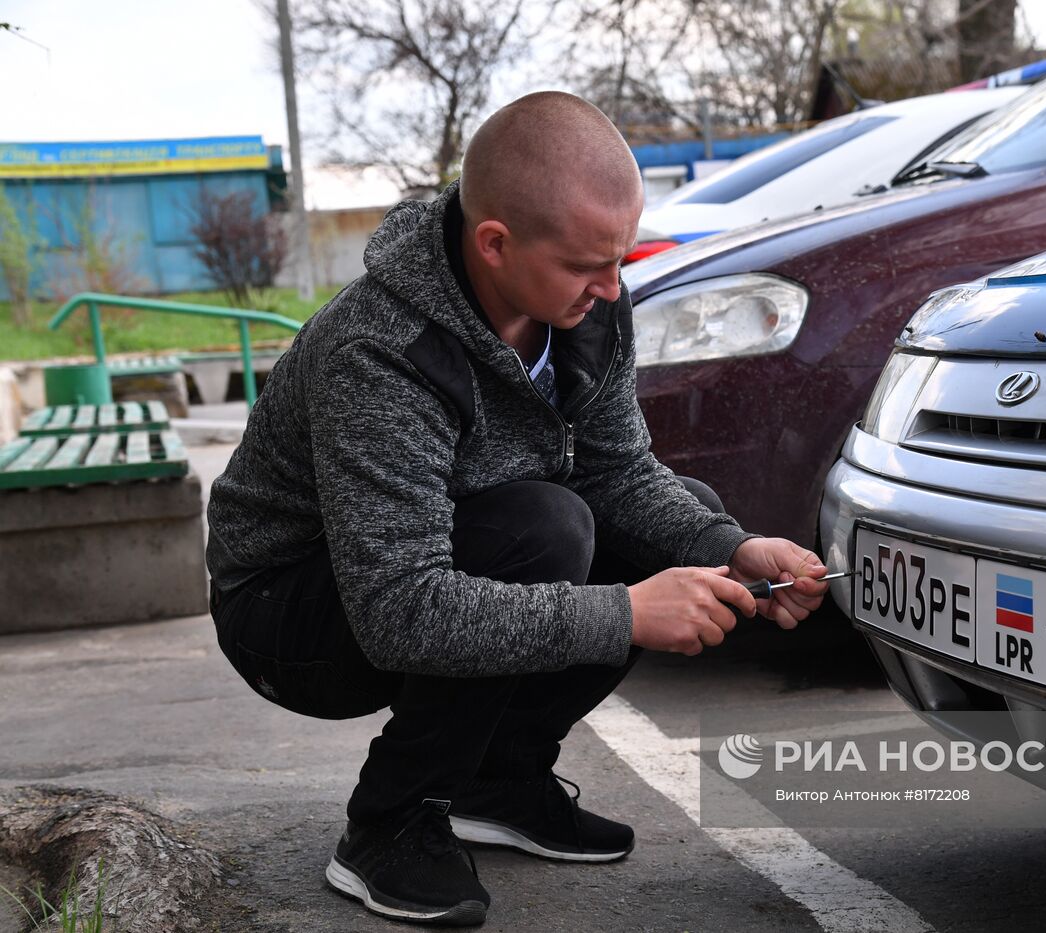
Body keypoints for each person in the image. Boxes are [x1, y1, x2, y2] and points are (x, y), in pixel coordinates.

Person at [205, 90, 829, 927]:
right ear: (494, 244)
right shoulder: (381, 351)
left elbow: (620, 471)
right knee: (547, 529)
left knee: (678, 519)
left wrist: (733, 543)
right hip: (292, 612)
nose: (612, 288)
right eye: (586, 266)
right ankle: (390, 821)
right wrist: (624, 614)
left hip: (441, 561)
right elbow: (399, 609)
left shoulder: (589, 308)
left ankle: (499, 779)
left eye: (621, 258)